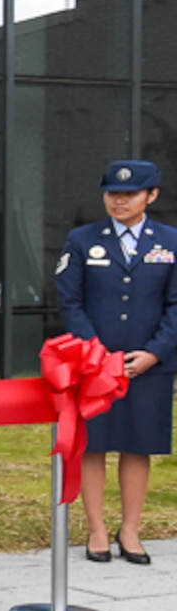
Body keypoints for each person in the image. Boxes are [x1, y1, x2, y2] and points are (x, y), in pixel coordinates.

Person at [56, 159, 177, 566]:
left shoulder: (170, 242)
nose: (119, 200)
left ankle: (130, 530)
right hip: (93, 365)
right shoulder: (81, 240)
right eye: (112, 193)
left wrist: (155, 352)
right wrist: (96, 353)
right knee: (94, 444)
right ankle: (96, 531)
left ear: (152, 196)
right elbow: (70, 302)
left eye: (129, 194)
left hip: (149, 365)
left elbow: (175, 305)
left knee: (137, 445)